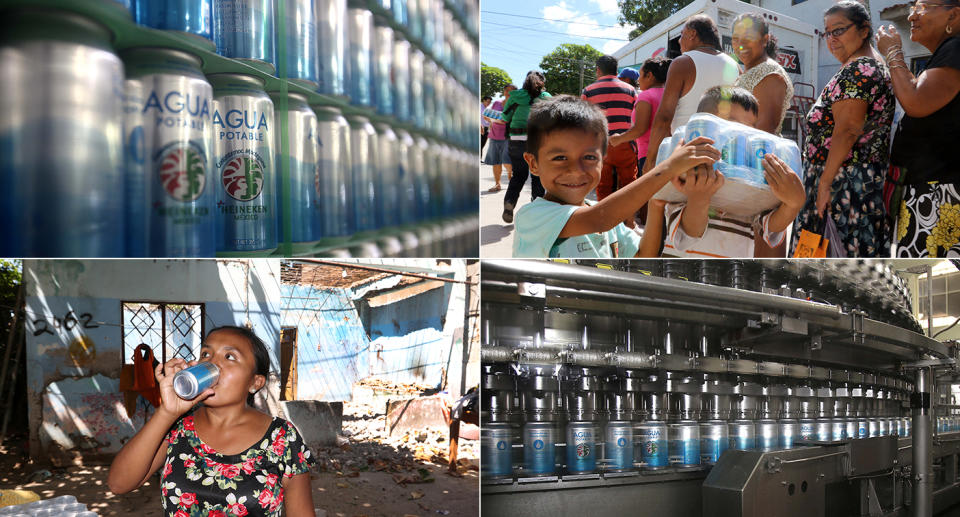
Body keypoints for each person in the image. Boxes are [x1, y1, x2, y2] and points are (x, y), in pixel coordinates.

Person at [108, 326, 315, 517]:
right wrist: (167, 412)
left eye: (229, 356)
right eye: (206, 354)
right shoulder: (179, 427)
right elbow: (119, 484)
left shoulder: (281, 437)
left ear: (255, 382)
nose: (212, 364)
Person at [511, 95, 720, 258]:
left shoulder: (608, 223)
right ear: (534, 163)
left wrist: (656, 202)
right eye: (559, 157)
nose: (575, 170)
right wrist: (668, 168)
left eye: (589, 157)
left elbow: (644, 255)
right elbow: (600, 219)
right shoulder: (532, 216)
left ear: (604, 159)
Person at [791, 0, 895, 257]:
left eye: (839, 30)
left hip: (841, 188)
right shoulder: (873, 64)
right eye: (827, 33)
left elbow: (848, 130)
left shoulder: (858, 69)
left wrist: (824, 184)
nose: (831, 39)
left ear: (864, 29)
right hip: (860, 185)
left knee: (821, 262)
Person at [661, 86, 806, 258]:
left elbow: (769, 227)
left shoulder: (752, 186)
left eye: (750, 128)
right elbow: (688, 235)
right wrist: (699, 197)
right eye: (729, 124)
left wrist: (792, 205)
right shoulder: (685, 177)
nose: (739, 135)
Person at [877, 0, 960, 256]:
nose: (912, 15)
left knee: (926, 272)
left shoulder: (956, 48)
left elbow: (915, 101)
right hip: (931, 191)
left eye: (922, 6)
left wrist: (892, 53)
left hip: (939, 196)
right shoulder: (947, 52)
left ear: (954, 15)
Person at [731, 12, 796, 258]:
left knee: (764, 250)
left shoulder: (770, 74)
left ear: (765, 38)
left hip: (760, 170)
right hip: (746, 167)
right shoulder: (750, 71)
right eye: (736, 38)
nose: (740, 44)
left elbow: (763, 132)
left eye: (748, 37)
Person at [643, 14, 740, 173]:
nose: (680, 41)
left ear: (692, 34)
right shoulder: (735, 66)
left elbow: (665, 116)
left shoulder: (683, 63)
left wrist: (651, 160)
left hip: (687, 156)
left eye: (681, 35)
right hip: (724, 159)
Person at [582, 55, 640, 201]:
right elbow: (637, 117)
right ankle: (629, 220)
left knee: (603, 184)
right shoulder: (631, 90)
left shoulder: (588, 91)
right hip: (625, 142)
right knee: (628, 184)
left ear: (598, 70)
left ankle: (604, 219)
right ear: (616, 70)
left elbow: (583, 120)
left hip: (600, 145)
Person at [501, 71, 551, 223]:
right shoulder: (546, 97)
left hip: (516, 141)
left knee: (518, 175)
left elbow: (505, 117)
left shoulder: (515, 96)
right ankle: (536, 213)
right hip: (537, 142)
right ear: (541, 82)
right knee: (537, 176)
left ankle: (510, 202)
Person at [609, 57, 672, 172]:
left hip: (649, 155)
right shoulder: (670, 94)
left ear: (649, 76)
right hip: (671, 152)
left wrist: (618, 139)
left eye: (640, 75)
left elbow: (640, 129)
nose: (638, 80)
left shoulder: (645, 96)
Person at [483, 85, 516, 193]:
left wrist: (502, 120)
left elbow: (513, 120)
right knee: (496, 161)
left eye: (511, 91)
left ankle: (511, 177)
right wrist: (490, 120)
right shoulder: (497, 103)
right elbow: (488, 116)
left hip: (508, 136)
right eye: (506, 90)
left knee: (507, 161)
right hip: (494, 135)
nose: (508, 92)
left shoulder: (516, 105)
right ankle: (497, 184)